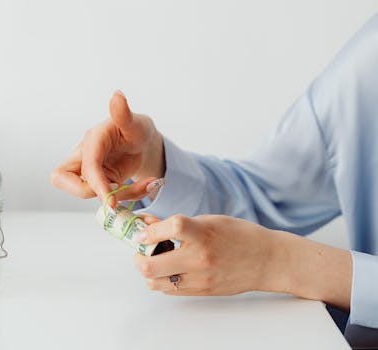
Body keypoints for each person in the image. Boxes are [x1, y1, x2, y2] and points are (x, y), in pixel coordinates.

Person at [51, 13, 378, 345]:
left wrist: (283, 262)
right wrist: (151, 160)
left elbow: (265, 249)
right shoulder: (370, 58)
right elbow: (261, 195)